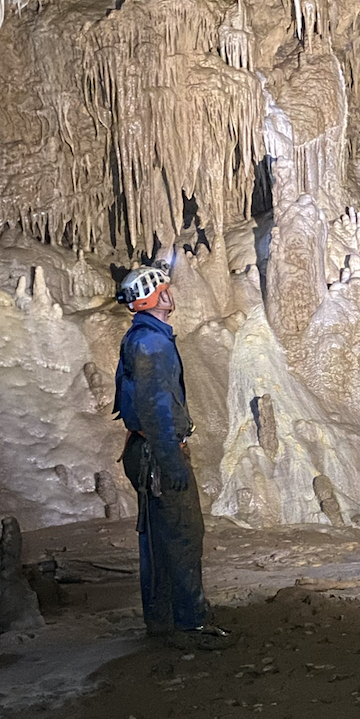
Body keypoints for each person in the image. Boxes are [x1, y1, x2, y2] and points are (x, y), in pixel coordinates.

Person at [114, 262, 231, 651]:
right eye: (165, 286)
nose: (171, 292)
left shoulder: (145, 337)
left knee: (158, 538)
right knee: (182, 535)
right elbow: (156, 406)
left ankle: (161, 620)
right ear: (156, 296)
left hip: (145, 450)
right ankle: (191, 623)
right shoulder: (152, 344)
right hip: (156, 452)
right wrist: (171, 460)